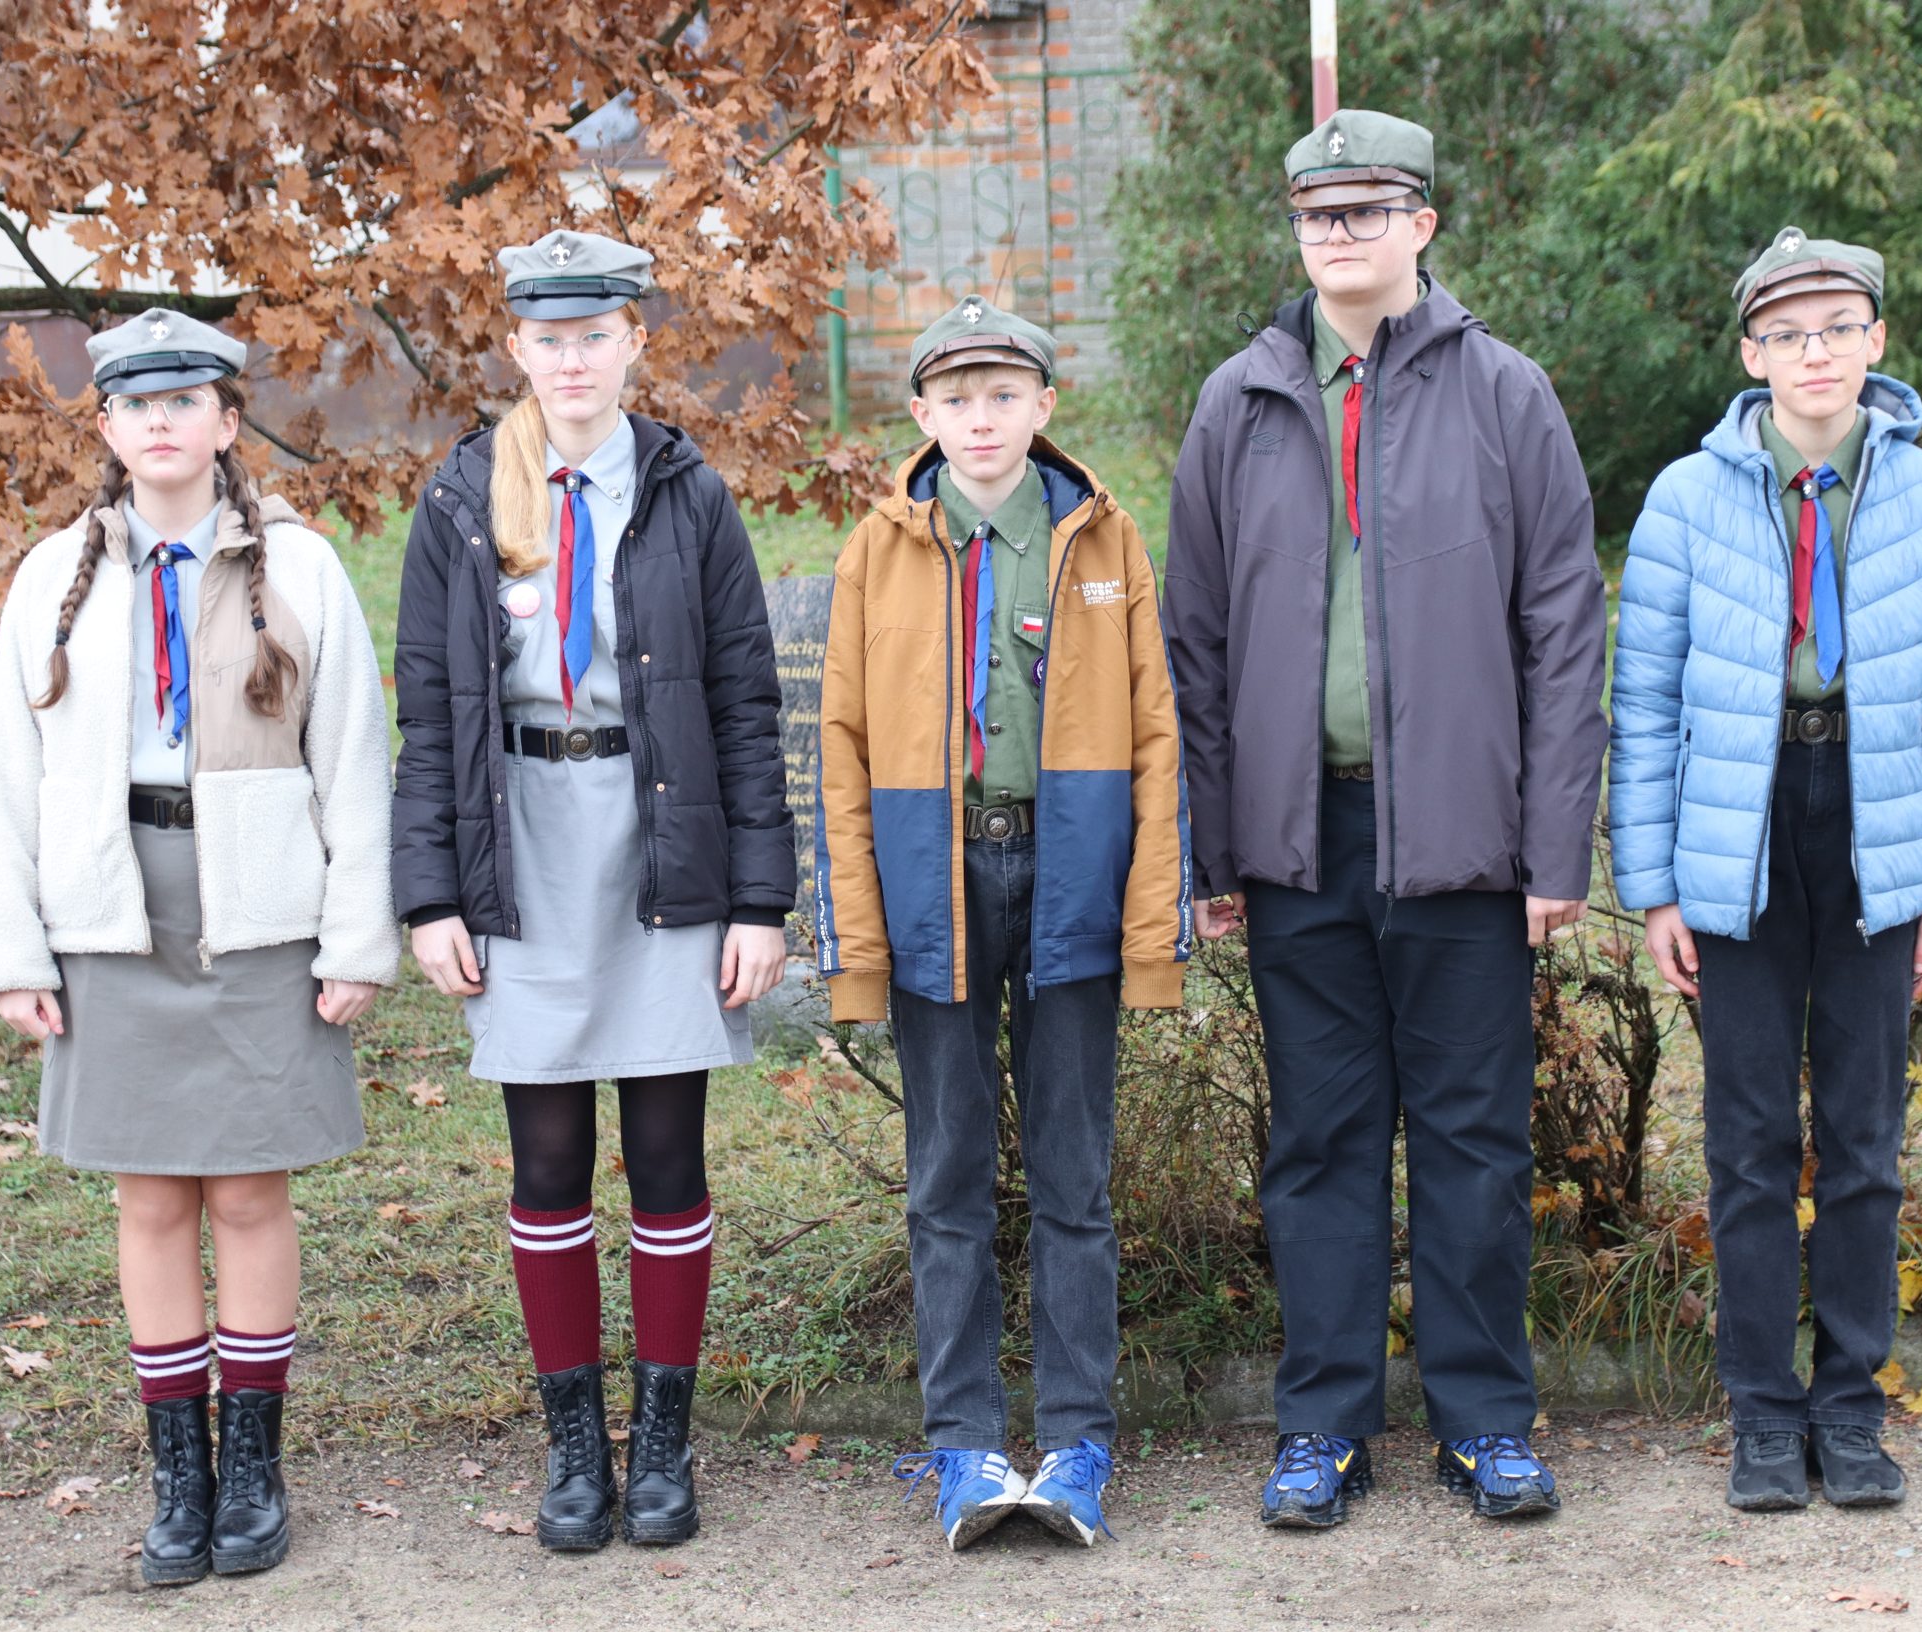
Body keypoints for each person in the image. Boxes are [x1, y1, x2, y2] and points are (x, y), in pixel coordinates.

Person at [1163, 110, 1607, 1527]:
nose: (1338, 235)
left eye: (1365, 210)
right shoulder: (1238, 403)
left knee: (1474, 1141)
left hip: (1464, 845)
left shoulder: (1506, 393)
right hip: (1299, 845)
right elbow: (1194, 640)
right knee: (1321, 1145)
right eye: (1316, 214)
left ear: (1422, 223)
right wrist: (1212, 845)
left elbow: (1562, 629)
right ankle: (1322, 1426)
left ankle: (1485, 1422)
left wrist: (1555, 846)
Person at [0, 308, 398, 1586]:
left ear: (225, 421)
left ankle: (253, 1471)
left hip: (257, 901)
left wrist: (355, 936)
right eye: (135, 406)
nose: (160, 424)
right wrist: (14, 951)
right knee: (150, 1196)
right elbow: (7, 775)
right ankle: (180, 1479)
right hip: (111, 903)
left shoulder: (299, 567)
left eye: (185, 402)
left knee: (252, 1190)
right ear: (106, 427)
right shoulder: (52, 578)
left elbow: (354, 758)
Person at [390, 230, 794, 1550]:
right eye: (549, 339)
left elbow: (744, 704)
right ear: (517, 347)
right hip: (523, 844)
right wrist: (430, 898)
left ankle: (662, 1446)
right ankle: (576, 1449)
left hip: (658, 836)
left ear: (634, 342)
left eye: (596, 336)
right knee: (548, 1156)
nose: (572, 360)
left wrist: (758, 900)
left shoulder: (687, 492)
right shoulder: (461, 498)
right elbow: (431, 715)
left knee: (668, 1153)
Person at [1608, 227, 1922, 1512]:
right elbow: (1643, 703)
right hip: (1741, 826)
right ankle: (1762, 1414)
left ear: (1875, 340)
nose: (1813, 351)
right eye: (1784, 333)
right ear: (1750, 355)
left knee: (1864, 1138)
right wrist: (1655, 885)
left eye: (1836, 327)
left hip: (1875, 824)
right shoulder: (1686, 499)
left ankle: (1849, 1406)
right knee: (1749, 1142)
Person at [816, 294, 1190, 1550]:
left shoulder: (1103, 538)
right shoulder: (878, 549)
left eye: (1003, 396)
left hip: (1070, 867)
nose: (980, 420)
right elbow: (842, 747)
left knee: (1075, 1178)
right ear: (921, 414)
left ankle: (1078, 1439)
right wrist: (859, 939)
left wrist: (1150, 924)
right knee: (947, 1177)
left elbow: (1154, 736)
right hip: (937, 876)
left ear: (1044, 407)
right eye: (955, 399)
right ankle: (963, 1442)